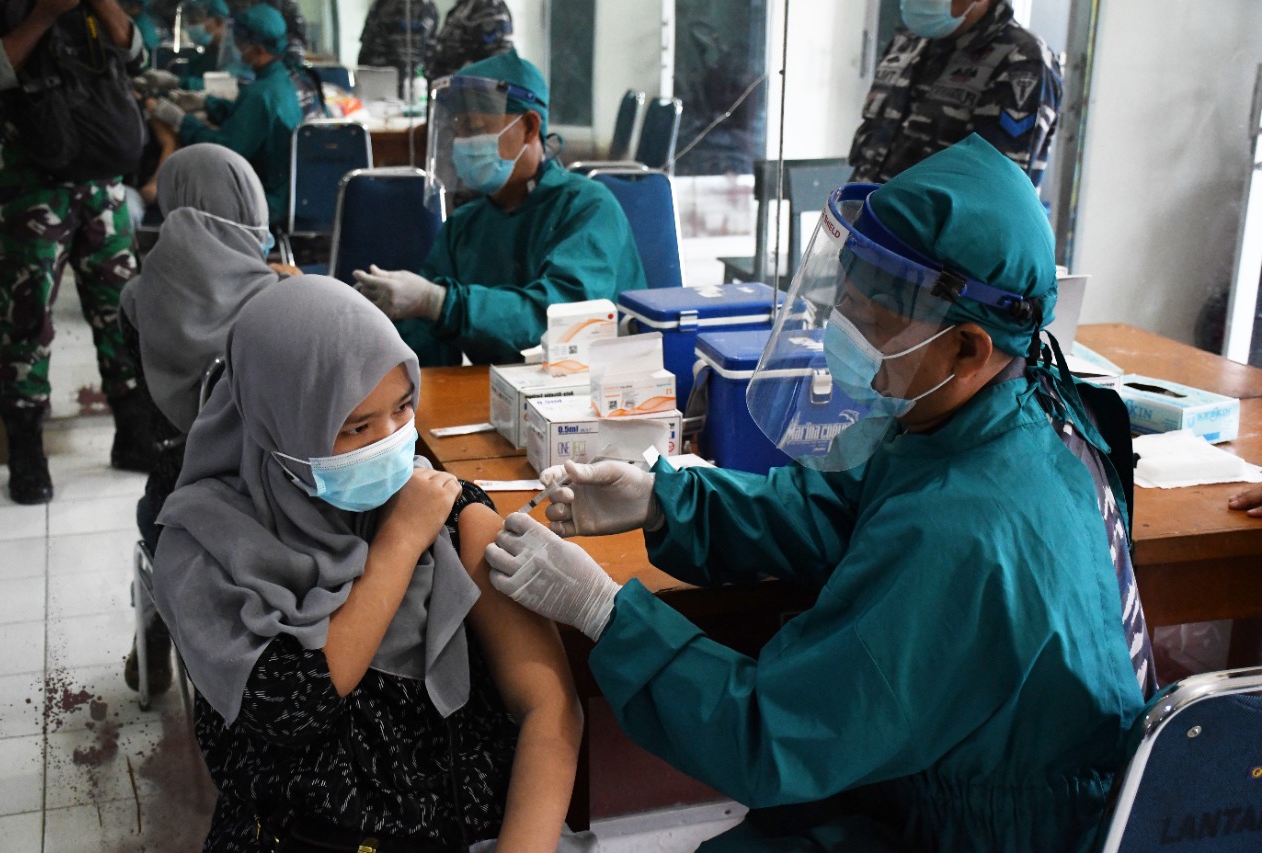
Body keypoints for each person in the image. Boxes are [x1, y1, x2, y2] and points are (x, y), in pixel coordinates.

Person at [485, 136, 1150, 852]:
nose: (845, 335)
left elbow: (770, 734)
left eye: (876, 322)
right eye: (847, 305)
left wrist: (603, 611)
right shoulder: (1006, 410)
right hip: (942, 774)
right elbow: (843, 507)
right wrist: (666, 498)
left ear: (968, 347)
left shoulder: (966, 531)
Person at [152, 276, 583, 851]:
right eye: (355, 427)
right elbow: (291, 707)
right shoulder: (204, 543)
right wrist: (398, 544)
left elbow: (549, 707)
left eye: (403, 408)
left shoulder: (449, 512)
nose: (390, 443)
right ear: (279, 422)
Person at [118, 143, 293, 695]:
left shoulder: (135, 301)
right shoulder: (280, 302)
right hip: (273, 511)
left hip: (173, 506)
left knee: (156, 517)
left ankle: (159, 609)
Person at [352, 49, 646, 367]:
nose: (462, 143)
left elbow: (562, 324)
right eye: (458, 130)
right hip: (499, 388)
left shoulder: (587, 208)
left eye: (476, 128)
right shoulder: (465, 226)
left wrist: (436, 302)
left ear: (530, 127)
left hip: (594, 385)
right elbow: (427, 346)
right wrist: (383, 326)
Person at [0, 0, 155, 505]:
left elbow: (139, 57)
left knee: (120, 308)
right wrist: (42, 16)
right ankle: (26, 452)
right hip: (27, 182)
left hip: (101, 178)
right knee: (27, 314)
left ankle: (133, 432)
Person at [849, 0, 1062, 188]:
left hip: (930, 222)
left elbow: (996, 192)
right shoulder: (907, 43)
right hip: (862, 216)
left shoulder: (1022, 61)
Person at [148, 3, 301, 222]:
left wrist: (182, 121)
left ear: (259, 50)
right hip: (278, 191)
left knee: (181, 199)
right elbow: (246, 117)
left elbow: (225, 150)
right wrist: (206, 103)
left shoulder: (261, 94)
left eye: (241, 43)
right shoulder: (279, 81)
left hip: (263, 199)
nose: (236, 48)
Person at [358, 0, 439, 89]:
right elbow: (367, 46)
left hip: (414, 82)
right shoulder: (384, 5)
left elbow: (431, 49)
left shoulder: (429, 8)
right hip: (383, 78)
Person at [426, 0, 512, 81]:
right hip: (450, 85)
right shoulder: (463, 7)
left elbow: (498, 59)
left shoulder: (489, 6)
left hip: (472, 86)